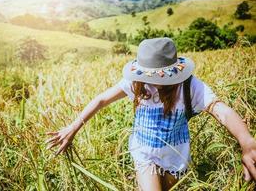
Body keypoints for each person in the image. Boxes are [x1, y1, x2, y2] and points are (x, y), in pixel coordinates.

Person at [45, 38, 256, 190]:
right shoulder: (136, 82)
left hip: (177, 159)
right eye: (149, 75)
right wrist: (73, 127)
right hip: (144, 154)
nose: (154, 82)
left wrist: (247, 143)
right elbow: (101, 100)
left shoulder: (190, 87)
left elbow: (222, 111)